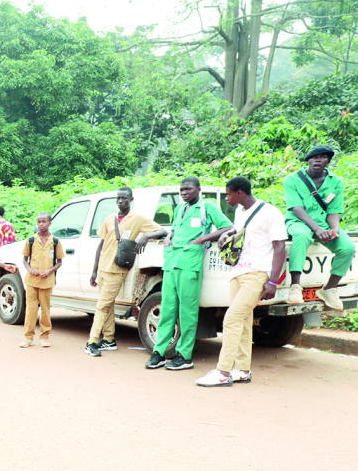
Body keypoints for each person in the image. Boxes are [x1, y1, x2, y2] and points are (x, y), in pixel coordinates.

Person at [197, 177, 287, 387]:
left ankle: (223, 372)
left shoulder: (270, 212)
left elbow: (280, 247)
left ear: (239, 193)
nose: (226, 198)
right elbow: (239, 231)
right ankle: (242, 370)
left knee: (231, 320)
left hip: (257, 275)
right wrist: (226, 234)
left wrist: (272, 282)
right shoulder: (239, 211)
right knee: (244, 323)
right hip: (237, 272)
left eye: (228, 194)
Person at [145, 177, 232, 371]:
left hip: (190, 264)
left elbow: (228, 227)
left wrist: (202, 239)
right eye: (181, 189)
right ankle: (159, 353)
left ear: (198, 189)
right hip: (171, 263)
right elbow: (175, 229)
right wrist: (168, 237)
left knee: (187, 311)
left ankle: (184, 356)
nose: (184, 192)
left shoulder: (206, 207)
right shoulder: (179, 209)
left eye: (188, 189)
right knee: (167, 309)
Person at [86, 186, 166, 357]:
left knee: (101, 305)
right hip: (102, 268)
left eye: (124, 198)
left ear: (131, 200)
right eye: (118, 198)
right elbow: (101, 245)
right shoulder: (109, 219)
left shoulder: (137, 219)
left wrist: (145, 236)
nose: (121, 201)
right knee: (107, 305)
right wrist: (94, 270)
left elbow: (162, 230)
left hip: (117, 269)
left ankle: (91, 341)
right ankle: (108, 339)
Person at [283, 145, 354, 310]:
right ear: (308, 160)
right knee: (302, 237)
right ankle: (295, 287)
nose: (318, 160)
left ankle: (329, 289)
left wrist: (334, 228)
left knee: (347, 247)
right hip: (298, 221)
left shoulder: (335, 182)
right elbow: (296, 208)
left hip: (323, 223)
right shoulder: (292, 179)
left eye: (322, 157)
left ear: (328, 161)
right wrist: (317, 229)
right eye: (314, 157)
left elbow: (333, 211)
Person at [19, 212, 65, 348]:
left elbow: (59, 262)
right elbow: (24, 260)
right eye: (38, 221)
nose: (40, 224)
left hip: (47, 281)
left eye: (44, 221)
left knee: (45, 309)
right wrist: (30, 269)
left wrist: (50, 271)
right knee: (31, 309)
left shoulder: (55, 241)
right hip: (32, 281)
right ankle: (28, 337)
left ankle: (45, 336)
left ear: (49, 223)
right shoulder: (31, 240)